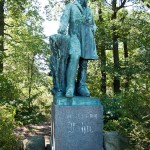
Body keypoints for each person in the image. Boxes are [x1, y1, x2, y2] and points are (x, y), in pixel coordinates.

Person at [58, 0, 98, 98]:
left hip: (87, 37)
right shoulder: (71, 6)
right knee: (75, 56)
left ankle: (81, 86)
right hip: (74, 35)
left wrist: (93, 28)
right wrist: (62, 28)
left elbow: (94, 25)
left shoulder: (89, 11)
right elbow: (64, 19)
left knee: (84, 62)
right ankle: (70, 87)